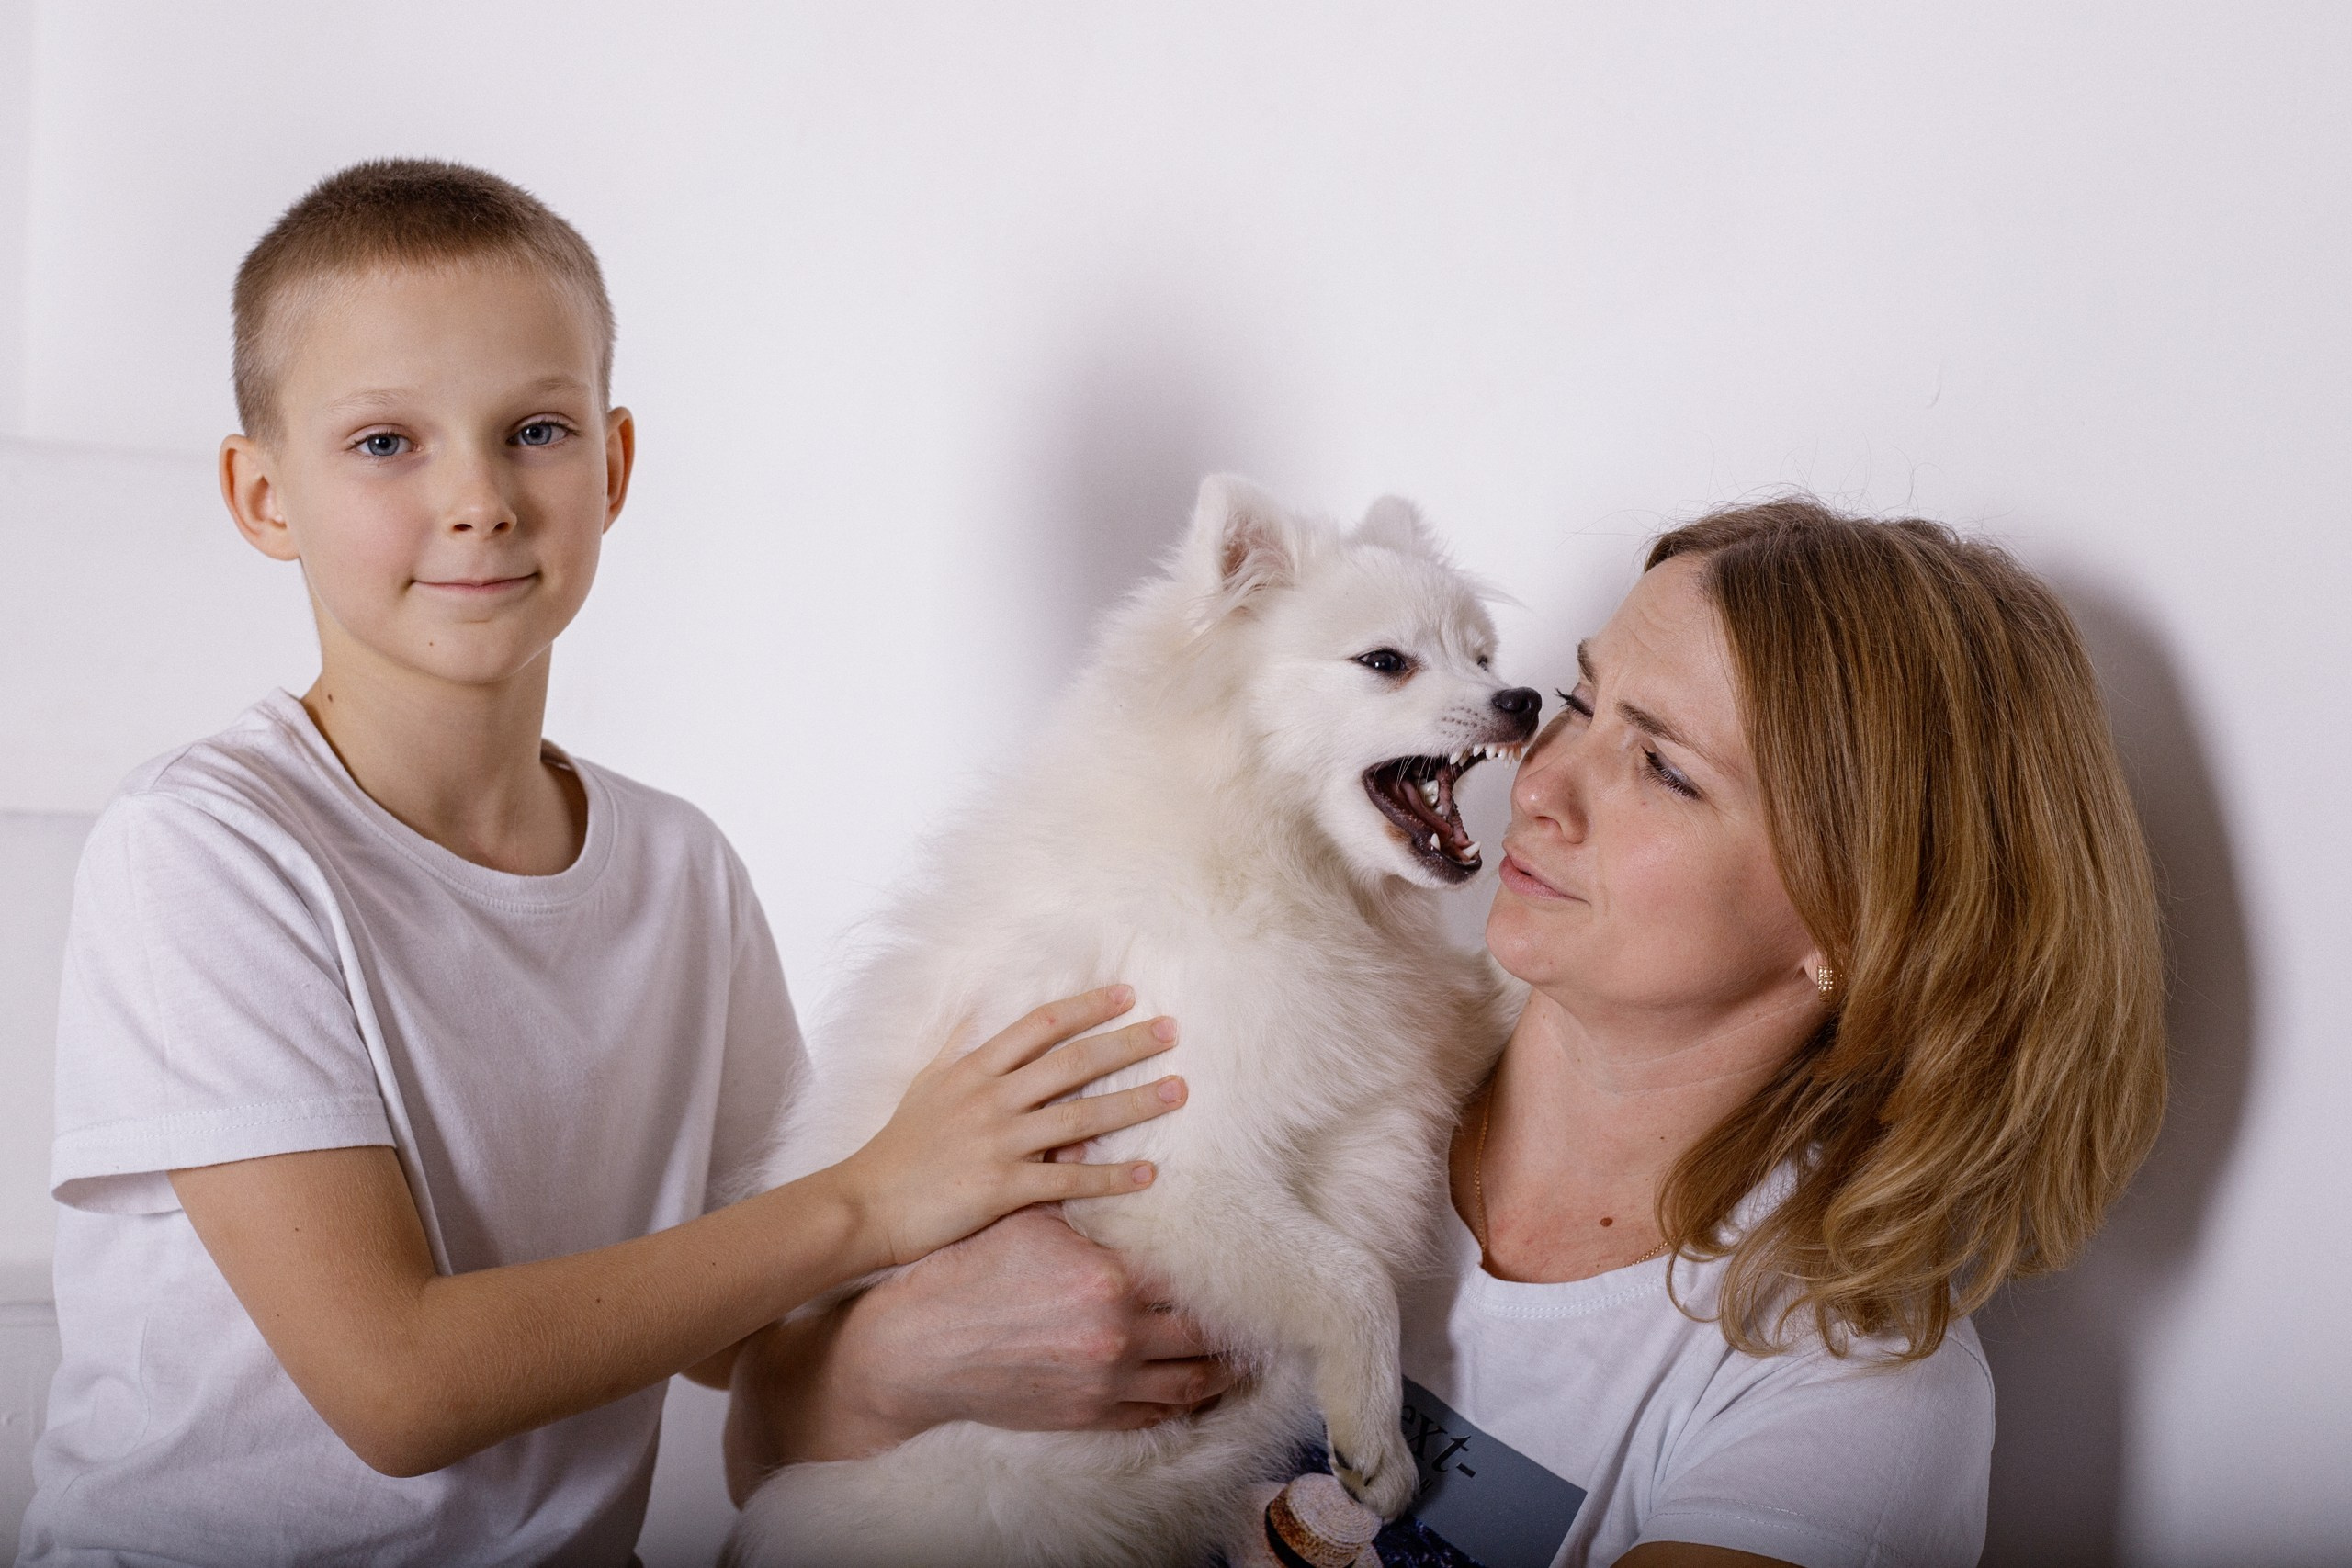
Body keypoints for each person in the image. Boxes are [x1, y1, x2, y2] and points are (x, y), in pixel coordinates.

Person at [16, 159, 1187, 1568]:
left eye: (536, 430)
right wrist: (877, 1196)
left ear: (614, 466)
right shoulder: (205, 850)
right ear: (263, 496)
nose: (480, 498)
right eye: (385, 442)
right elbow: (399, 1389)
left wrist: (959, 1333)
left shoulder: (681, 872)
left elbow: (751, 1356)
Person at [729, 501, 2167, 1567]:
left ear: (1858, 923)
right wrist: (890, 1364)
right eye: (1582, 702)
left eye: (1664, 768)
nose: (1534, 779)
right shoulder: (1314, 1035)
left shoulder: (1836, 1392)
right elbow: (758, 1458)